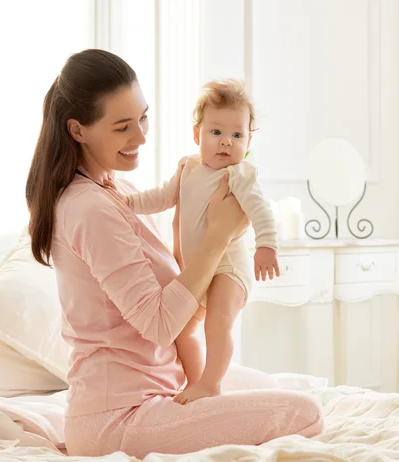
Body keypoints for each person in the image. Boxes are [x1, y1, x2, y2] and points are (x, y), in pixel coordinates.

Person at [25, 48, 324, 458]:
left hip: (161, 384)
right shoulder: (90, 208)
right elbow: (161, 325)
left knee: (271, 389)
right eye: (122, 127)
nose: (142, 136)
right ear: (77, 130)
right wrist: (220, 235)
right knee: (304, 413)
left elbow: (178, 294)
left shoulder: (120, 193)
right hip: (121, 414)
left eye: (143, 117)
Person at [118, 79, 280, 405]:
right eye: (216, 132)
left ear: (248, 140)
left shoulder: (238, 175)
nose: (226, 143)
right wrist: (129, 203)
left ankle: (211, 383)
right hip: (197, 273)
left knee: (218, 324)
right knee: (182, 330)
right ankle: (195, 382)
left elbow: (260, 210)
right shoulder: (188, 168)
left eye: (237, 135)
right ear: (198, 135)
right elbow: (163, 196)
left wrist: (267, 244)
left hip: (227, 270)